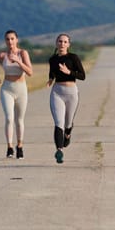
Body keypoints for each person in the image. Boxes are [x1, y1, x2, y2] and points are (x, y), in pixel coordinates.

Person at [0, 30, 33, 159]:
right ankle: (9, 147)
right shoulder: (2, 55)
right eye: (7, 39)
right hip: (7, 89)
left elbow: (30, 72)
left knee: (19, 120)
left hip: (21, 89)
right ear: (5, 41)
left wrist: (19, 61)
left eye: (12, 39)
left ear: (16, 40)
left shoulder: (23, 53)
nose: (10, 41)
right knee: (9, 118)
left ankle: (20, 146)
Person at [46, 33, 85, 164]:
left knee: (68, 123)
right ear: (56, 43)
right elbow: (52, 72)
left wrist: (69, 72)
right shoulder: (52, 59)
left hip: (72, 92)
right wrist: (50, 80)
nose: (62, 44)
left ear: (68, 45)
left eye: (65, 42)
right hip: (57, 92)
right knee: (58, 122)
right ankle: (59, 151)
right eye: (60, 41)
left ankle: (68, 134)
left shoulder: (73, 58)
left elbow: (82, 76)